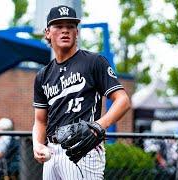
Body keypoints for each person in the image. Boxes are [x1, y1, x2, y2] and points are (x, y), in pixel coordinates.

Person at [32, 5, 130, 180]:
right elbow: (40, 120)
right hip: (52, 153)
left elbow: (123, 100)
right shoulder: (42, 76)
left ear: (77, 32)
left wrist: (99, 126)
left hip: (83, 148)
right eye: (59, 26)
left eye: (70, 26)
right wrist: (37, 144)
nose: (65, 31)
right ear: (47, 32)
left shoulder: (94, 62)